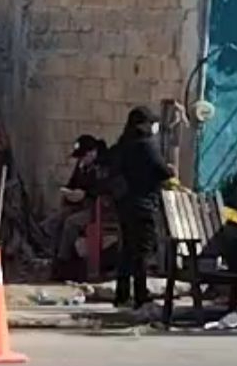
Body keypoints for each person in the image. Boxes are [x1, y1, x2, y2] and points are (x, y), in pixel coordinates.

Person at [108, 105, 174, 310]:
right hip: (144, 205)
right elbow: (162, 171)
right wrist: (170, 170)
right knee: (143, 252)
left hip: (124, 205)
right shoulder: (146, 145)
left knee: (127, 250)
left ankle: (122, 294)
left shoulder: (122, 144)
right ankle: (141, 295)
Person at [46, 134, 107, 277]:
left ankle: (64, 260)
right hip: (78, 205)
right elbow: (72, 184)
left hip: (95, 208)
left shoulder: (102, 167)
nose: (80, 160)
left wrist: (86, 193)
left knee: (71, 223)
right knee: (56, 220)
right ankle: (55, 257)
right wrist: (69, 192)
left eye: (83, 156)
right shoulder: (81, 166)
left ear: (92, 153)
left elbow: (102, 188)